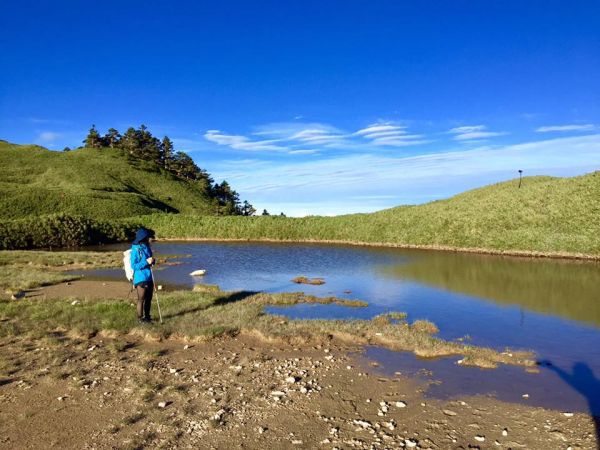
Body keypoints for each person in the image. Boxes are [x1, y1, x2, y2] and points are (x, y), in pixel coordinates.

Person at [130, 228, 156, 323]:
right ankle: (140, 319)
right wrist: (146, 262)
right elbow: (134, 265)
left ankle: (147, 317)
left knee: (149, 299)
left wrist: (152, 261)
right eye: (148, 237)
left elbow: (150, 260)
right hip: (140, 277)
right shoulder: (135, 249)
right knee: (141, 299)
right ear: (143, 238)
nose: (150, 238)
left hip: (149, 276)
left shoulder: (147, 247)